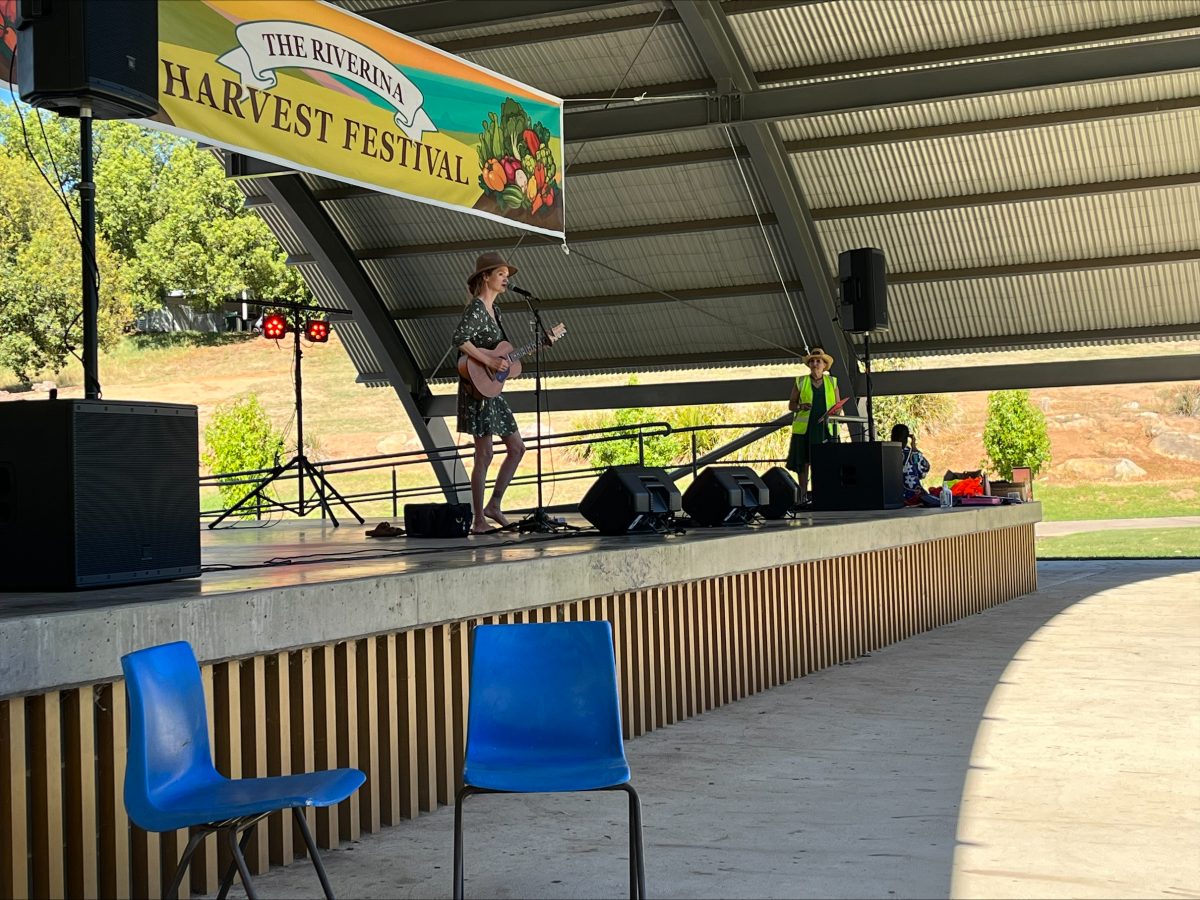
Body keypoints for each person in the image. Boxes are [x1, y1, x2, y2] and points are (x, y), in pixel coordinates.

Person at [453, 251, 526, 534]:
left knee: (517, 448)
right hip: (477, 390)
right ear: (486, 277)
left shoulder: (496, 311)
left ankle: (493, 505)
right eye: (501, 275)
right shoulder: (477, 308)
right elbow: (460, 339)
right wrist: (489, 361)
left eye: (507, 276)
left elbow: (504, 355)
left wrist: (504, 362)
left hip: (493, 391)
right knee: (484, 453)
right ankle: (478, 519)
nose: (506, 280)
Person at [786, 347, 840, 506]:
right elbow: (791, 405)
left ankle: (823, 494)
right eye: (812, 361)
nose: (815, 364)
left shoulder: (832, 382)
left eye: (818, 361)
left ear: (825, 365)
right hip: (805, 429)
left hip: (826, 427)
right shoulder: (800, 381)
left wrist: (836, 411)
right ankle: (803, 495)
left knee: (824, 461)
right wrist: (800, 406)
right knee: (803, 461)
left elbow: (838, 405)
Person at [890, 423, 934, 506]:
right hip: (912, 495)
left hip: (891, 496)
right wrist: (914, 447)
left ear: (892, 436)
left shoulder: (885, 452)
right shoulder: (913, 454)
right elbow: (924, 469)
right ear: (907, 438)